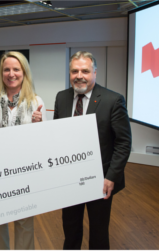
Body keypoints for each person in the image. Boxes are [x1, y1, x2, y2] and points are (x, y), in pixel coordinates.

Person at [53, 51, 132, 250]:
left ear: (95, 73)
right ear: (69, 73)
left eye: (85, 71)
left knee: (98, 233)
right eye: (74, 71)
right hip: (69, 179)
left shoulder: (113, 100)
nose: (79, 75)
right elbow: (56, 135)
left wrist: (111, 177)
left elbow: (123, 143)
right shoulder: (61, 97)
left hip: (101, 180)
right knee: (70, 230)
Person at [0, 51, 46, 251]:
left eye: (16, 69)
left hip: (25, 171)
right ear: (1, 73)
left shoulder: (36, 101)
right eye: (6, 69)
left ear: (24, 72)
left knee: (25, 222)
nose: (11, 74)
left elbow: (45, 143)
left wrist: (39, 126)